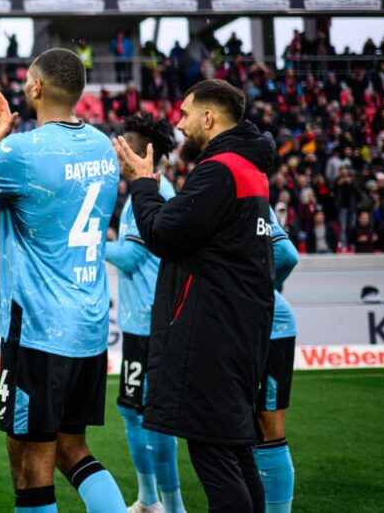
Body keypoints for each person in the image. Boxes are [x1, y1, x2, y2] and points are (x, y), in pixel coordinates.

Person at [0, 48, 127, 513]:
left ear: (36, 89)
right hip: (90, 326)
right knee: (71, 447)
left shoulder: (21, 150)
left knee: (29, 465)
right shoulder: (101, 145)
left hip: (37, 328)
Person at [113, 79, 275, 513]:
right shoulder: (250, 169)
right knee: (236, 450)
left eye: (185, 114)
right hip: (241, 331)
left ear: (209, 117)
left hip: (213, 336)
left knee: (215, 456)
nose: (180, 124)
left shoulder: (221, 169)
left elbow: (163, 235)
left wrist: (143, 184)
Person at [104, 113, 186, 513]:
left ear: (145, 152)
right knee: (139, 410)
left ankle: (167, 505)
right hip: (148, 316)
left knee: (144, 412)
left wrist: (87, 243)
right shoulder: (153, 188)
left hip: (150, 320)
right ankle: (152, 498)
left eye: (126, 144)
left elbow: (133, 257)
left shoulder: (150, 190)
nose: (118, 149)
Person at [255, 209, 299, 513]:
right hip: (244, 327)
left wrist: (257, 291)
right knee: (249, 427)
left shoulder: (248, 187)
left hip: (271, 327)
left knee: (268, 425)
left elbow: (285, 253)